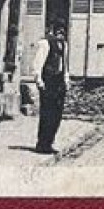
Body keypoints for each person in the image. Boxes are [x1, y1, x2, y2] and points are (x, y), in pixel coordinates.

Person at [32, 20, 70, 155]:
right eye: (59, 31)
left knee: (57, 114)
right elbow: (38, 64)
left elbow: (64, 65)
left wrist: (66, 80)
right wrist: (40, 81)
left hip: (59, 83)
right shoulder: (45, 44)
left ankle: (50, 142)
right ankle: (42, 143)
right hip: (48, 82)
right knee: (47, 113)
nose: (61, 34)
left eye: (63, 31)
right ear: (53, 31)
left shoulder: (64, 46)